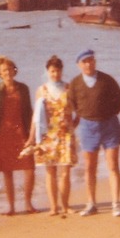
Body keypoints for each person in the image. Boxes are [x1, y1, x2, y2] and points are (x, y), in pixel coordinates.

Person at [65, 48, 120, 217]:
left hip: (110, 126)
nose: (88, 64)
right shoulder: (75, 83)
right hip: (87, 127)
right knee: (89, 167)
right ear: (79, 65)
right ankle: (91, 203)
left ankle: (116, 204)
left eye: (91, 60)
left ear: (95, 61)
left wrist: (107, 115)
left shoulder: (107, 80)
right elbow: (72, 104)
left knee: (113, 166)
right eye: (84, 61)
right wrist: (86, 115)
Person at [24, 55, 78, 216]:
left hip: (65, 134)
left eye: (58, 71)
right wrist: (31, 138)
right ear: (48, 71)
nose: (55, 74)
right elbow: (36, 116)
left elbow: (79, 109)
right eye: (52, 71)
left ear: (62, 71)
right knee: (50, 171)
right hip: (47, 134)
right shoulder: (41, 90)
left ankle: (65, 205)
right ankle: (54, 207)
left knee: (65, 171)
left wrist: (75, 123)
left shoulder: (69, 88)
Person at [0, 55, 36, 215]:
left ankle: (28, 203)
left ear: (14, 70)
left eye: (9, 69)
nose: (7, 72)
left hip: (21, 132)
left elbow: (29, 112)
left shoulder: (23, 88)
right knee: (7, 170)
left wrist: (32, 136)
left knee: (29, 167)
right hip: (2, 134)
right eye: (3, 70)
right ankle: (11, 207)